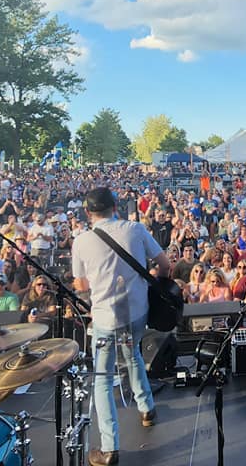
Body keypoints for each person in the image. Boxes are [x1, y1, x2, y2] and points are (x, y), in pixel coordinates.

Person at [71, 187, 171, 466]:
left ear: (88, 212)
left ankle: (109, 448)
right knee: (133, 354)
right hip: (138, 313)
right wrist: (152, 282)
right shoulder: (136, 230)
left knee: (102, 379)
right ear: (116, 206)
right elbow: (164, 265)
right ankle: (147, 408)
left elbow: (80, 286)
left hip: (104, 319)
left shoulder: (81, 242)